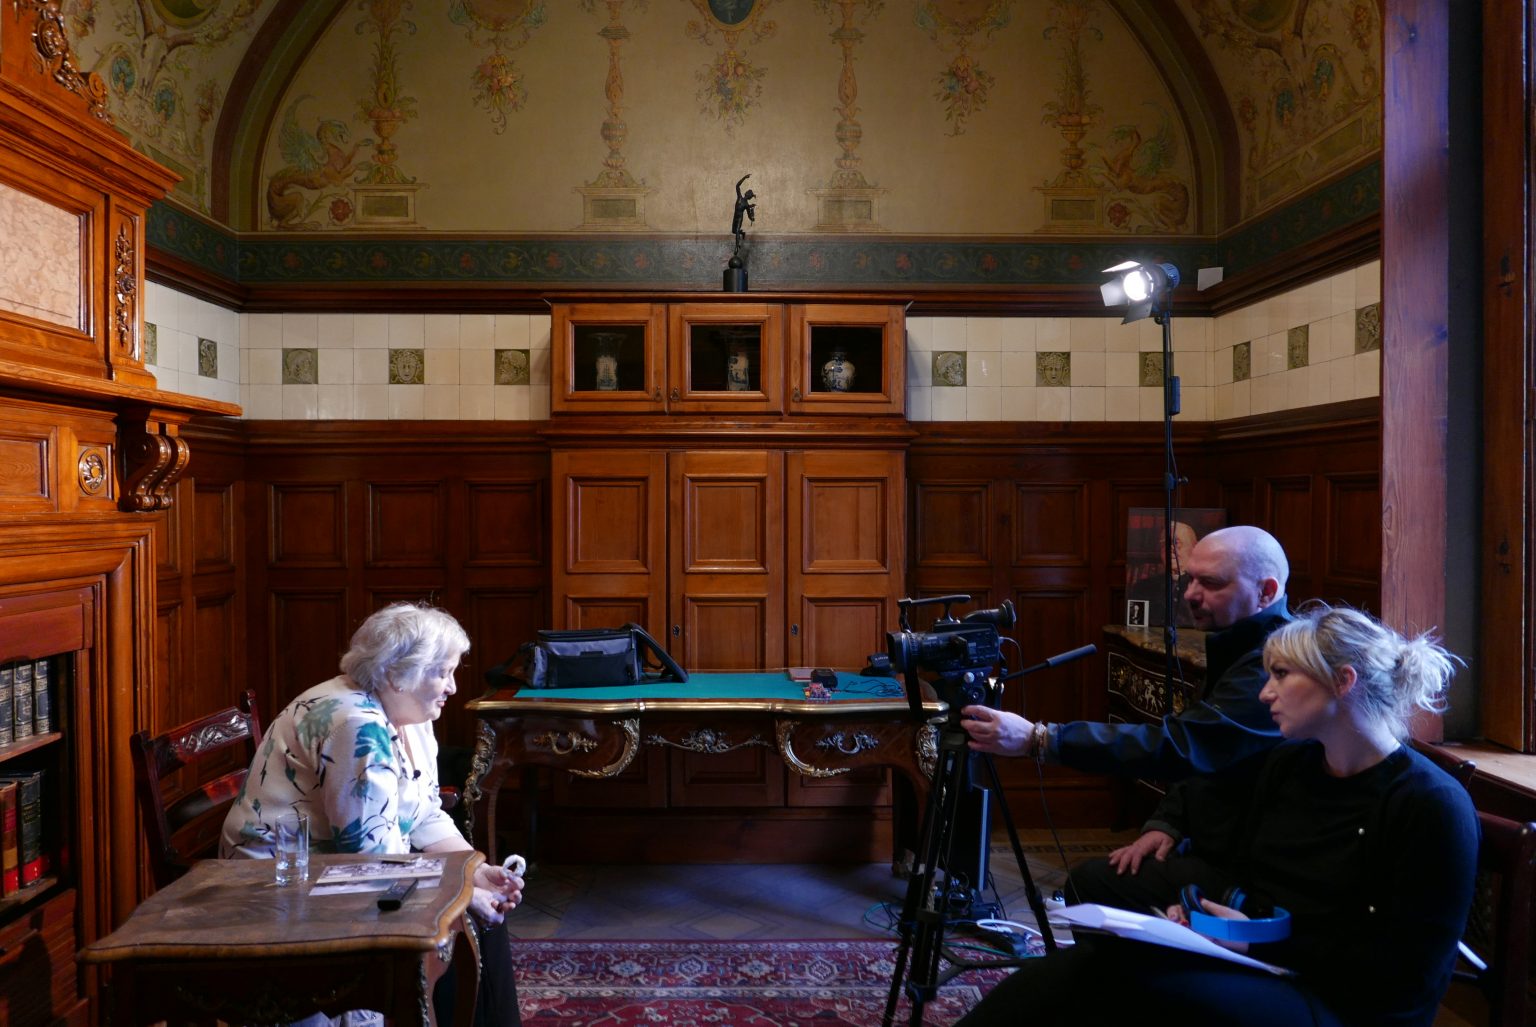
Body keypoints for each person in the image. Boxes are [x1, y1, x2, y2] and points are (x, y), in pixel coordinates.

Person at [956, 604, 1478, 1027]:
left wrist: (1258, 938)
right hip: (1269, 963)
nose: (1265, 693)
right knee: (1102, 961)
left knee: (1123, 980)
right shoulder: (1291, 764)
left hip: (1343, 1004)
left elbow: (1402, 977)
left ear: (1343, 681)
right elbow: (1247, 877)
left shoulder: (1430, 805)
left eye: (1281, 675)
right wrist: (1196, 915)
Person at [221, 602, 524, 1027]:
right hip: (281, 883)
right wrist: (460, 893)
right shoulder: (356, 725)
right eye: (442, 673)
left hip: (339, 867)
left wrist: (474, 871)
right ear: (398, 675)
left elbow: (423, 811)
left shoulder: (409, 713)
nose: (453, 687)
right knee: (464, 919)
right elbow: (372, 860)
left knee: (482, 920)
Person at [962, 524, 1293, 909]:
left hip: (1247, 868)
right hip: (1214, 842)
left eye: (1211, 583)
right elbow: (1208, 755)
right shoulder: (1240, 645)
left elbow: (1182, 746)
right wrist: (1169, 823)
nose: (1190, 594)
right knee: (1096, 882)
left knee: (1089, 887)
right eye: (1190, 579)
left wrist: (1041, 738)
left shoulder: (1273, 668)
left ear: (1266, 591)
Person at [1126, 518, 1199, 625]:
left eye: (1176, 543)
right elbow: (1135, 625)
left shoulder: (1205, 587)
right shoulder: (1142, 588)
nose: (1170, 548)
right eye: (1165, 543)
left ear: (1194, 548)